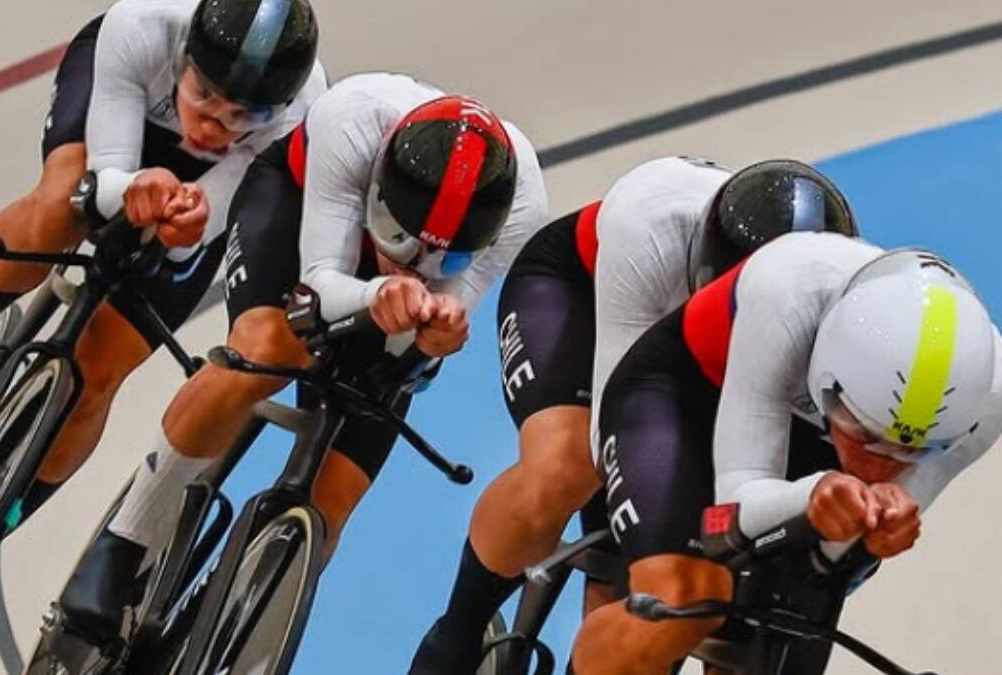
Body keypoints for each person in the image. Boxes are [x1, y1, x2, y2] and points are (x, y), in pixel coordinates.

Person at [0, 0, 324, 662]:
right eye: (204, 96)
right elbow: (103, 176)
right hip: (123, 124)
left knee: (98, 370)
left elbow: (216, 220)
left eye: (241, 117)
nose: (214, 125)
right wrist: (124, 190)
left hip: (205, 193)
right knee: (57, 207)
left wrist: (181, 230)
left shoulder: (300, 118)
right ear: (185, 60)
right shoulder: (144, 26)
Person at [53, 71, 549, 647]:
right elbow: (318, 289)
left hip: (390, 298)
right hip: (300, 216)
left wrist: (432, 338)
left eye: (443, 252)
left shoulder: (521, 205)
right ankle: (124, 541)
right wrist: (376, 294)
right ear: (379, 186)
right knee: (263, 350)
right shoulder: (353, 116)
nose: (407, 257)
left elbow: (423, 346)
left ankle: (227, 626)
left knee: (334, 497)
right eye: (399, 234)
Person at [409, 157, 859, 674]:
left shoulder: (836, 314)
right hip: (583, 297)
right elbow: (617, 424)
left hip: (705, 364)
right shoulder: (652, 222)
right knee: (568, 466)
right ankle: (455, 639)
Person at [572, 235, 1001, 675]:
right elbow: (732, 510)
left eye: (910, 450)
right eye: (863, 431)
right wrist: (814, 494)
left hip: (811, 449)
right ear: (826, 377)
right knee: (685, 599)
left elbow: (829, 564)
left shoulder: (988, 399)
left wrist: (875, 534)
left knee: (784, 637)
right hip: (685, 399)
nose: (875, 465)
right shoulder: (789, 289)